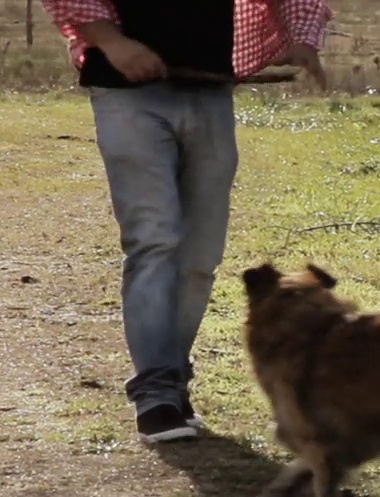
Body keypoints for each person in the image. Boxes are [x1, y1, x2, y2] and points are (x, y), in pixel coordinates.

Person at [40, 0, 332, 444]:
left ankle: (172, 383)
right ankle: (155, 394)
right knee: (154, 239)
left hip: (208, 89)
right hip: (127, 93)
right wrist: (113, 42)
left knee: (200, 254)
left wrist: (302, 39)